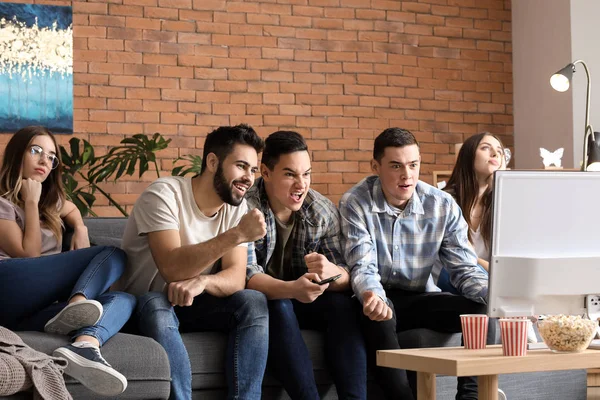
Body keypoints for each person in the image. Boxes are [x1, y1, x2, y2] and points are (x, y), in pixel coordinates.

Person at [113, 124, 269, 400]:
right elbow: (171, 268)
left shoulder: (237, 208)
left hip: (193, 305)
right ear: (212, 162)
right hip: (144, 307)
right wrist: (238, 234)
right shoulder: (164, 194)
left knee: (253, 301)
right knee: (155, 302)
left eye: (253, 170)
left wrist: (204, 281)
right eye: (242, 166)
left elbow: (235, 278)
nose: (249, 178)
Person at [339, 127, 493, 400]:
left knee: (482, 309)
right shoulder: (356, 202)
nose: (406, 175)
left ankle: (470, 397)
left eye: (413, 165)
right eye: (395, 166)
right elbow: (362, 265)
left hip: (420, 298)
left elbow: (464, 268)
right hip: (377, 297)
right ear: (376, 166)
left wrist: (493, 294)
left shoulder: (442, 204)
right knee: (379, 314)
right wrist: (371, 295)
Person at [0, 126, 135, 396]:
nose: (44, 161)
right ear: (18, 154)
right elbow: (29, 255)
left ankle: (84, 345)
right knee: (111, 253)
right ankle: (78, 302)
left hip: (35, 309)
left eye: (51, 157)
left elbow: (69, 207)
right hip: (8, 287)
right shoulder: (4, 204)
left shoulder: (49, 204)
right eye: (36, 151)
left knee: (126, 299)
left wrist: (81, 228)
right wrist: (29, 202)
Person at [245, 131, 367, 399]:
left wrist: (334, 274)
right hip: (264, 302)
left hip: (304, 300)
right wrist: (291, 289)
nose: (301, 185)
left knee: (341, 305)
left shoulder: (321, 210)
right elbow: (247, 276)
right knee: (278, 304)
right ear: (265, 172)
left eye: (307, 174)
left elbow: (347, 279)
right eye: (290, 174)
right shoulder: (245, 208)